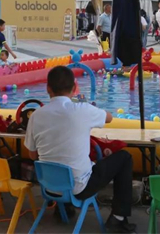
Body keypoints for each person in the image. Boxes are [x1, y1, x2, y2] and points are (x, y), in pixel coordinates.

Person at [25, 66, 136, 233]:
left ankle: (63, 208)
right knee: (124, 158)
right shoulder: (82, 110)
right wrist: (83, 104)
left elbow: (33, 155)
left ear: (48, 88)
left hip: (49, 187)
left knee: (62, 160)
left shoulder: (35, 116)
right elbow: (109, 118)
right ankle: (118, 218)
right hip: (79, 188)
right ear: (75, 87)